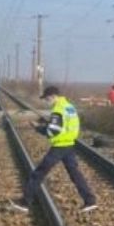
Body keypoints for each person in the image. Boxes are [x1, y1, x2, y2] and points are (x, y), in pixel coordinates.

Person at [9, 85, 97, 214]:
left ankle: (25, 203)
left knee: (39, 173)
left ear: (53, 96)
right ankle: (90, 201)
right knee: (75, 173)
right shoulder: (69, 107)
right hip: (69, 144)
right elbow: (65, 125)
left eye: (47, 99)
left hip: (60, 146)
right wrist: (48, 125)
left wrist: (38, 128)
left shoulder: (58, 109)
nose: (46, 101)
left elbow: (53, 131)